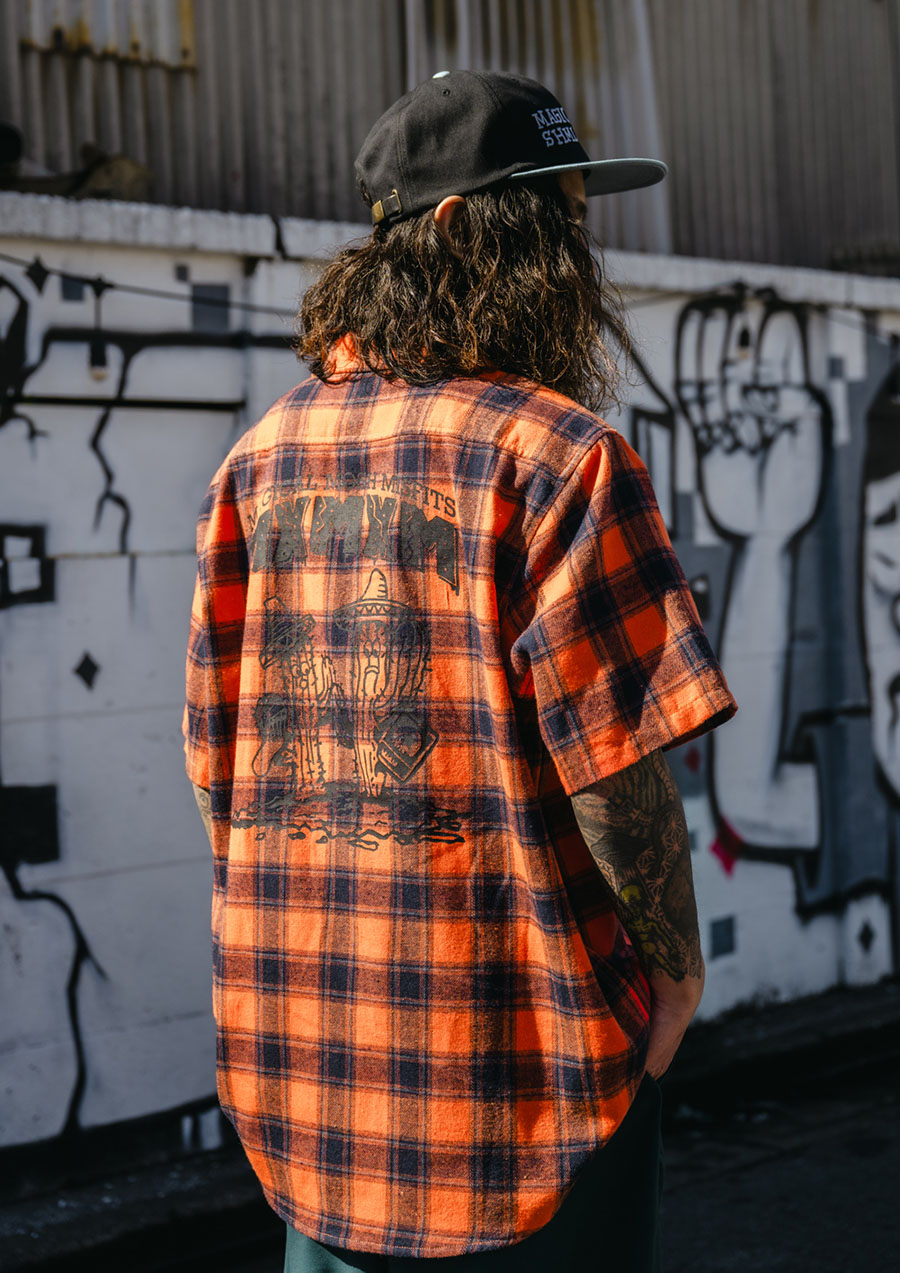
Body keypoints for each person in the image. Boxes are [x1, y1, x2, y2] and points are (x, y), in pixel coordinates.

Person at [184, 70, 736, 1273]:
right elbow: (617, 774)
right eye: (561, 222)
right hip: (518, 1082)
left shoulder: (258, 463)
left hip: (312, 1072)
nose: (582, 261)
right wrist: (679, 974)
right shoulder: (564, 460)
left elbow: (217, 772)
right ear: (460, 230)